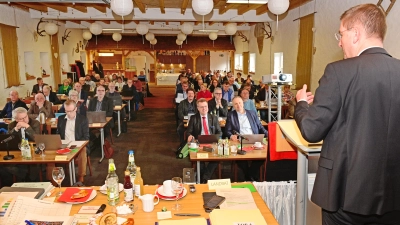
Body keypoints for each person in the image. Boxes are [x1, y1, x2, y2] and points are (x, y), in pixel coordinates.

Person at [296, 4, 400, 224]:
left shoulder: (339, 71)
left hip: (345, 193)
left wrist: (302, 104)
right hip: (393, 197)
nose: (339, 41)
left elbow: (312, 130)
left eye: (341, 33)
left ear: (356, 34)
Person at [225, 96, 267, 181]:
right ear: (233, 106)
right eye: (235, 104)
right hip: (240, 141)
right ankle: (251, 176)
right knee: (240, 159)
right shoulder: (231, 115)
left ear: (243, 103)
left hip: (254, 139)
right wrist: (231, 136)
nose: (238, 105)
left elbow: (260, 127)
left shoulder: (252, 113)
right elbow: (227, 130)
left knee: (262, 157)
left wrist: (269, 134)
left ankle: (248, 176)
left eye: (240, 103)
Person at [0, 107, 41, 185]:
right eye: (21, 119)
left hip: (33, 152)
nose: (25, 120)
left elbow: (37, 139)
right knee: (4, 167)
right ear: (16, 119)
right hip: (17, 152)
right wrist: (15, 129)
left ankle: (27, 180)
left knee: (32, 169)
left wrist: (27, 127)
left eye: (25, 117)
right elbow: (8, 140)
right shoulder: (12, 125)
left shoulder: (35, 123)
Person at [186, 98, 221, 183]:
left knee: (217, 158)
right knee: (200, 160)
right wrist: (190, 136)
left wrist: (217, 138)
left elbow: (219, 131)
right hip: (199, 143)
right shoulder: (194, 118)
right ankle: (205, 177)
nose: (204, 109)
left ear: (208, 107)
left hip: (212, 143)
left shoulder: (214, 118)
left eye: (205, 106)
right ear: (198, 108)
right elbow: (188, 132)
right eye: (201, 107)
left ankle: (205, 177)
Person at [57, 100, 89, 183]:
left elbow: (86, 137)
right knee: (51, 151)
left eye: (70, 111)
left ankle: (81, 176)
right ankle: (54, 178)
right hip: (64, 145)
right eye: (66, 111)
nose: (68, 113)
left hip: (77, 146)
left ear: (75, 109)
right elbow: (58, 135)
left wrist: (75, 144)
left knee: (83, 150)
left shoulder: (83, 119)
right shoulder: (61, 119)